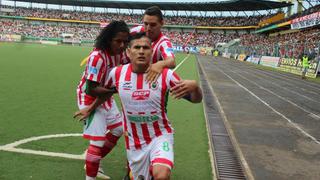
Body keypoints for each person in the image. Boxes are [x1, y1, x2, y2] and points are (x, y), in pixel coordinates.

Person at [75, 20, 130, 180]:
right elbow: (91, 88)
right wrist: (116, 89)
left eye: (125, 42)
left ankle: (93, 161)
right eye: (118, 41)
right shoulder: (97, 57)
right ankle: (90, 175)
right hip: (89, 97)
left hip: (105, 96)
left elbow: (131, 67)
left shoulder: (121, 54)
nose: (122, 45)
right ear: (108, 39)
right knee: (97, 142)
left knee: (118, 129)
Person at [130, 6, 176, 83]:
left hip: (153, 83)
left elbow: (171, 61)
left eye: (153, 25)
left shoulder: (164, 42)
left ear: (162, 23)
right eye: (146, 23)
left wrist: (160, 64)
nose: (148, 28)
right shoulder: (137, 31)